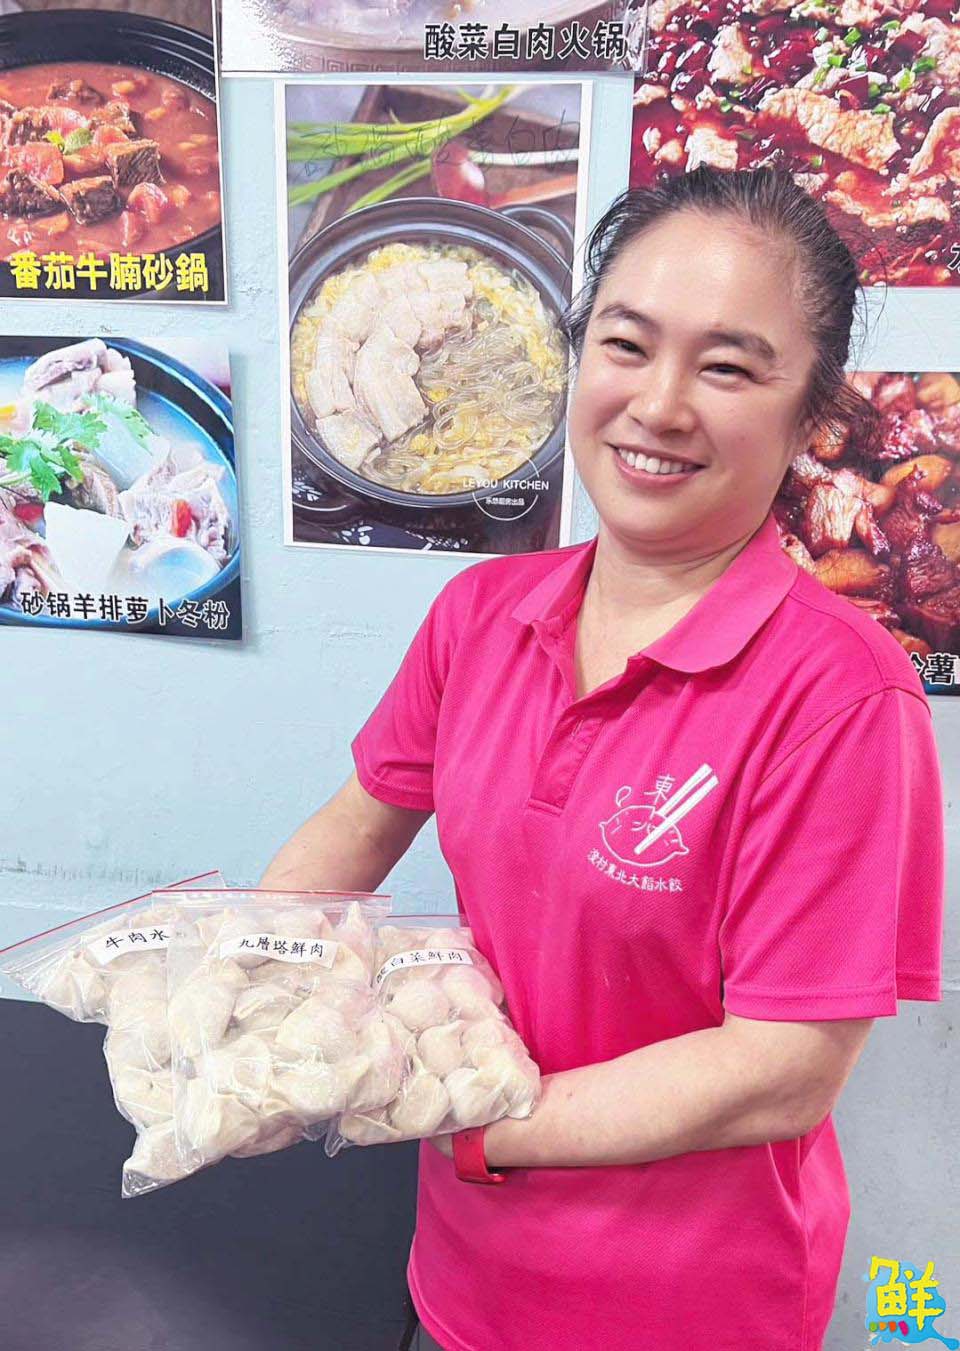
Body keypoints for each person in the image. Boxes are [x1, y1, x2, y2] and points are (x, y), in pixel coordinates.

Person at [261, 167, 945, 1351]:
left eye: (728, 367)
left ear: (812, 418)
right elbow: (354, 828)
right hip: (463, 1279)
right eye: (627, 344)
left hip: (682, 1307)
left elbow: (782, 1069)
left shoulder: (840, 696)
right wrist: (247, 984)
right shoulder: (483, 613)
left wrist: (466, 1123)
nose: (660, 404)